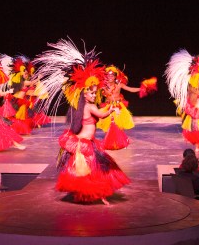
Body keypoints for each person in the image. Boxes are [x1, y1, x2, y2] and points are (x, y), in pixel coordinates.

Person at [34, 38, 130, 204]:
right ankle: (98, 195)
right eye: (91, 93)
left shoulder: (86, 106)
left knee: (90, 170)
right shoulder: (88, 106)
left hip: (87, 142)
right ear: (84, 94)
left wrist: (110, 108)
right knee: (92, 170)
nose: (94, 95)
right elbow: (101, 114)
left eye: (95, 93)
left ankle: (93, 194)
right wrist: (112, 109)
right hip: (84, 144)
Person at [97, 65, 156, 150]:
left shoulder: (119, 85)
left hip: (118, 106)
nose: (110, 77)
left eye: (112, 75)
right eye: (108, 75)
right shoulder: (103, 86)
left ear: (115, 77)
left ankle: (120, 142)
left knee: (119, 125)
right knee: (108, 125)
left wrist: (140, 89)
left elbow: (130, 89)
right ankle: (109, 142)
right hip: (108, 106)